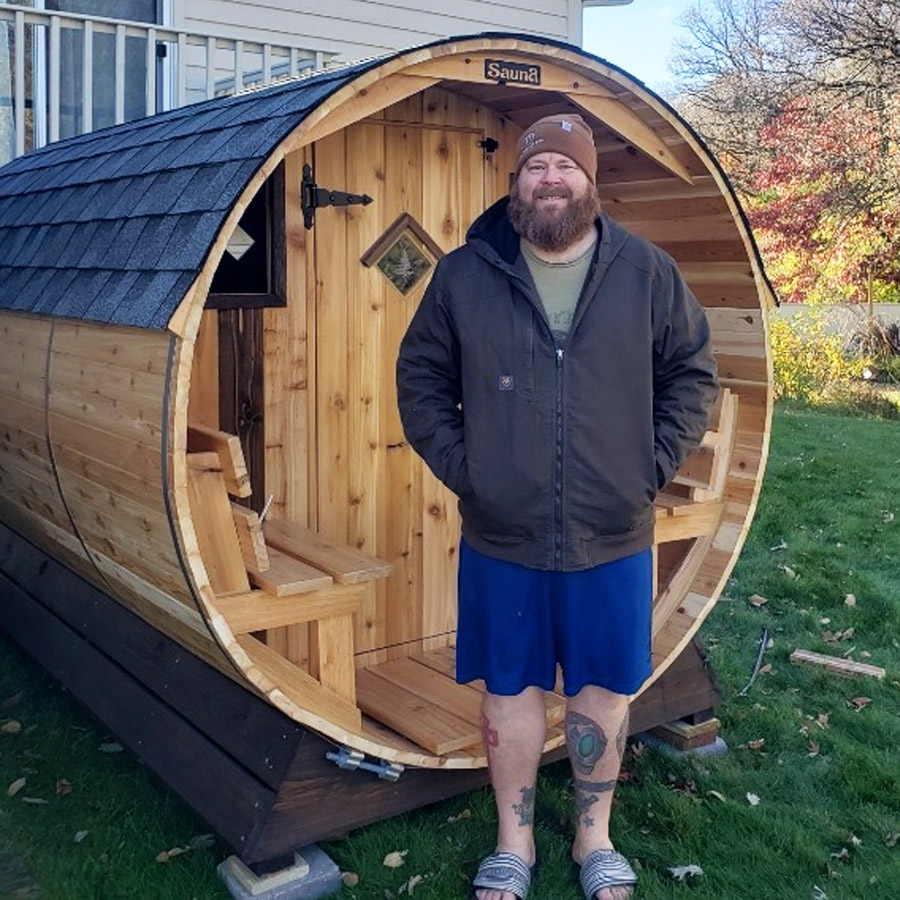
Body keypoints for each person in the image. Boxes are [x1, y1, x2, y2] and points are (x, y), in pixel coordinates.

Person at [396, 114, 718, 900]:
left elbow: (692, 374)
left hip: (613, 532)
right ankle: (514, 843)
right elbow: (421, 380)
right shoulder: (465, 275)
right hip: (502, 534)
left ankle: (592, 838)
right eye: (536, 167)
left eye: (566, 168)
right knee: (509, 691)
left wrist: (647, 468)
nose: (551, 180)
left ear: (590, 182)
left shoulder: (645, 271)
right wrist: (472, 473)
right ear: (516, 183)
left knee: (601, 690)